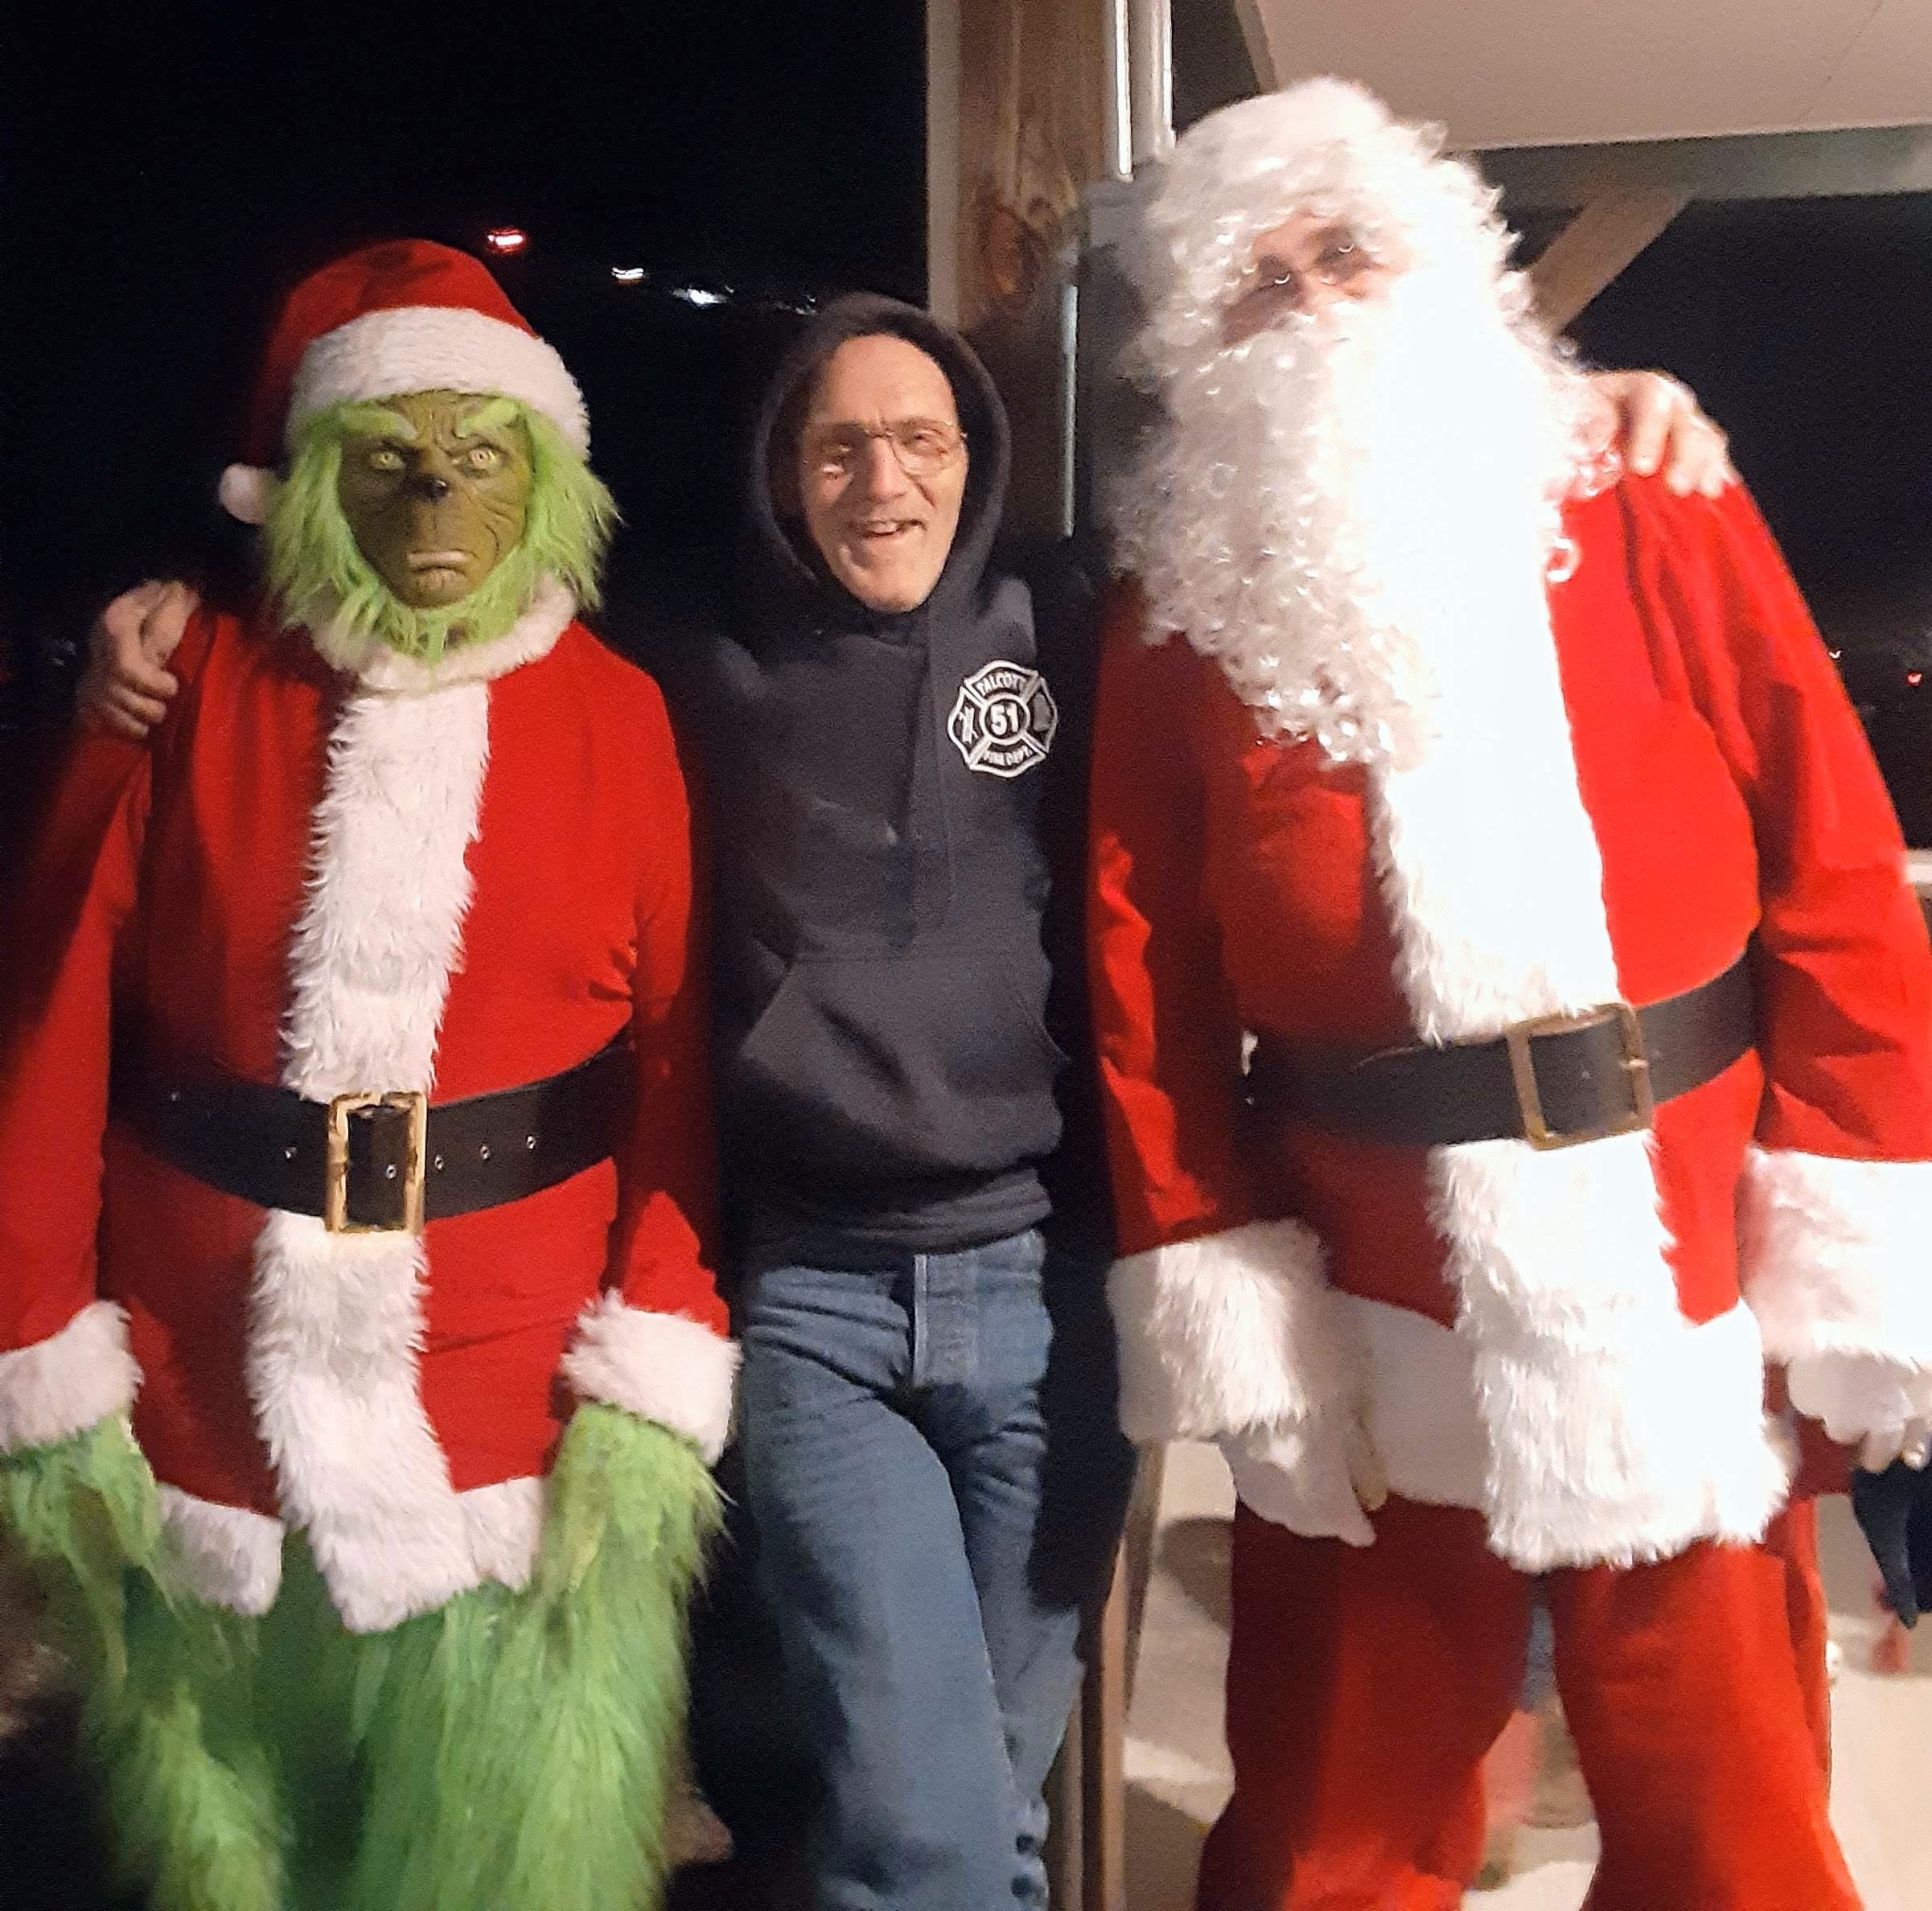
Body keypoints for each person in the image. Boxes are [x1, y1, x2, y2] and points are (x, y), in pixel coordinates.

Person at [79, 290, 1729, 1911]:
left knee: (990, 1814)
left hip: (1045, 1300)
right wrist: (178, 606)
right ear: (782, 474)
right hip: (816, 1301)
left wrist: (1585, 398)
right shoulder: (681, 649)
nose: (886, 484)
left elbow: (1297, 532)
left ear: (975, 454)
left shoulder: (1074, 620)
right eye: (842, 447)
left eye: (921, 441)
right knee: (919, 1824)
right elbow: (443, 616)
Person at [1089, 79, 1932, 1911]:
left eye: (1347, 253)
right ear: (1197, 346)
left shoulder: (1645, 498)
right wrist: (1218, 1281)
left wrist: (1862, 1214)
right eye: (1258, 282)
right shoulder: (1175, 615)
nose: (1313, 304)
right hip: (1371, 1300)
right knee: (1328, 1825)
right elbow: (1139, 986)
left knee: (1734, 1815)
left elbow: (1836, 868)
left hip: (1679, 1269)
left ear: (1442, 270)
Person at [0, 240, 737, 1911]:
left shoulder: (618, 716)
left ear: (543, 478)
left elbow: (675, 1066)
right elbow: (51, 1023)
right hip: (204, 1399)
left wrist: (663, 1338)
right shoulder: (184, 686)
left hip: (514, 1397)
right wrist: (33, 1339)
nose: (432, 496)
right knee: (225, 1848)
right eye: (387, 457)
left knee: (509, 1851)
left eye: (477, 458)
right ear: (308, 483)